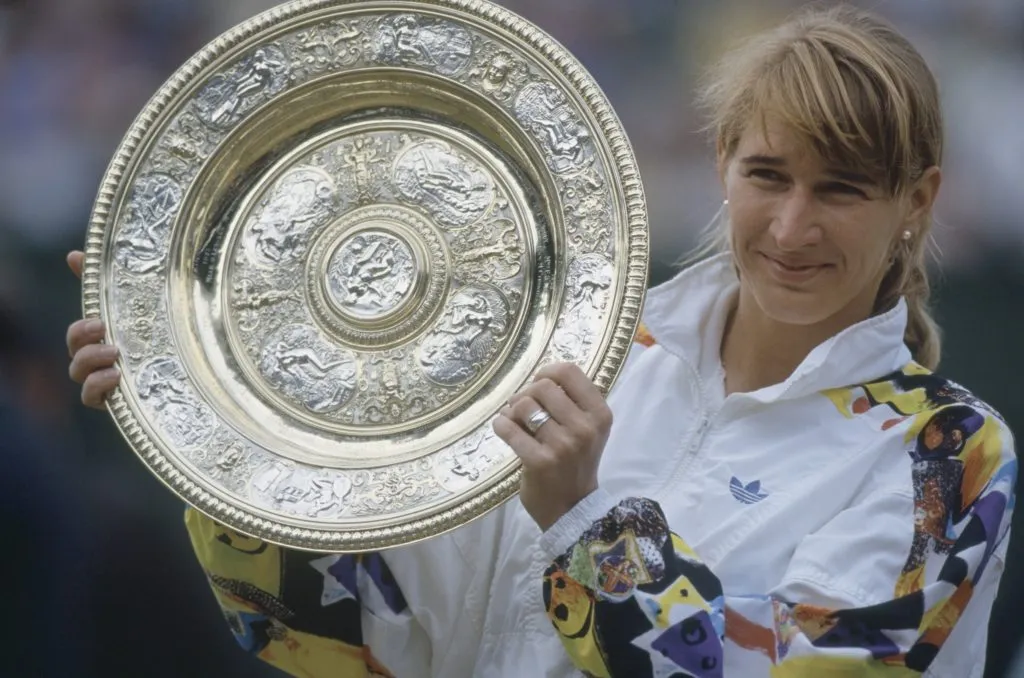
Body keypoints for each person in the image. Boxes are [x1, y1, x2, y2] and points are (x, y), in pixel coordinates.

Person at [65, 5, 1016, 677]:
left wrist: (584, 523)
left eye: (843, 189)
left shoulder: (947, 458)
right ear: (721, 161)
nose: (792, 228)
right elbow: (358, 638)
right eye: (768, 175)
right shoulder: (576, 350)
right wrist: (212, 430)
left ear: (916, 201)